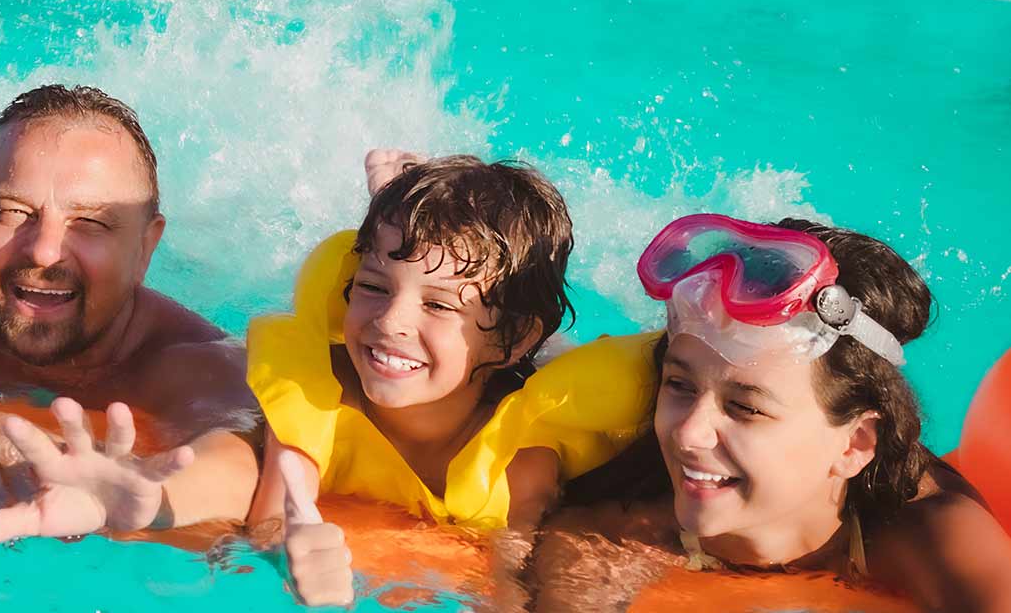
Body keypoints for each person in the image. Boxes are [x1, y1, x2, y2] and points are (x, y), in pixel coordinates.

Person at [532, 214, 1011, 611]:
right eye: (679, 385)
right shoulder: (611, 532)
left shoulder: (932, 538)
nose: (689, 434)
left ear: (854, 444)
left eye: (745, 408)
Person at [240, 154, 657, 607]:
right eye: (373, 286)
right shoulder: (319, 386)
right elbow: (274, 518)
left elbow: (511, 582)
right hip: (468, 347)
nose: (390, 320)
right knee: (431, 291)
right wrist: (288, 553)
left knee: (548, 357)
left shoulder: (521, 460)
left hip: (515, 363)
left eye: (438, 305)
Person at [0, 84, 261, 539]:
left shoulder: (200, 367)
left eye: (89, 223)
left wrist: (147, 498)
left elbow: (239, 463)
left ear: (146, 246)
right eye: (12, 212)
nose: (44, 251)